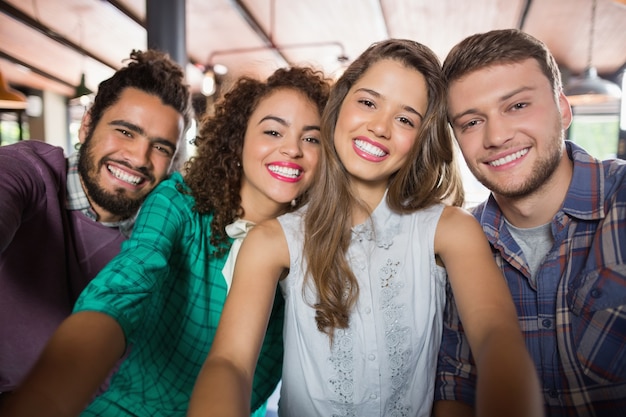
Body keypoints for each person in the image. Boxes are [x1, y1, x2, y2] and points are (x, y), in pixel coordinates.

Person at [188, 39, 543, 417]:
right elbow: (230, 363)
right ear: (339, 106)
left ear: (421, 138)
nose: (379, 127)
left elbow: (497, 338)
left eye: (405, 119)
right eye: (369, 102)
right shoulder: (272, 241)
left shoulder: (451, 230)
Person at [0, 65, 330, 417]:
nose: (292, 149)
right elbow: (121, 289)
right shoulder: (178, 202)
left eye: (311, 138)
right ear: (238, 138)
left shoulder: (316, 245)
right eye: (273, 131)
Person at [434, 29, 626, 417]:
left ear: (564, 109)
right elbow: (455, 386)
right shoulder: (458, 244)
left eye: (518, 105)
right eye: (471, 122)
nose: (497, 136)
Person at [0, 49, 192, 400]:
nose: (138, 158)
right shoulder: (30, 172)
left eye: (161, 148)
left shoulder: (160, 238)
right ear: (87, 124)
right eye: (125, 131)